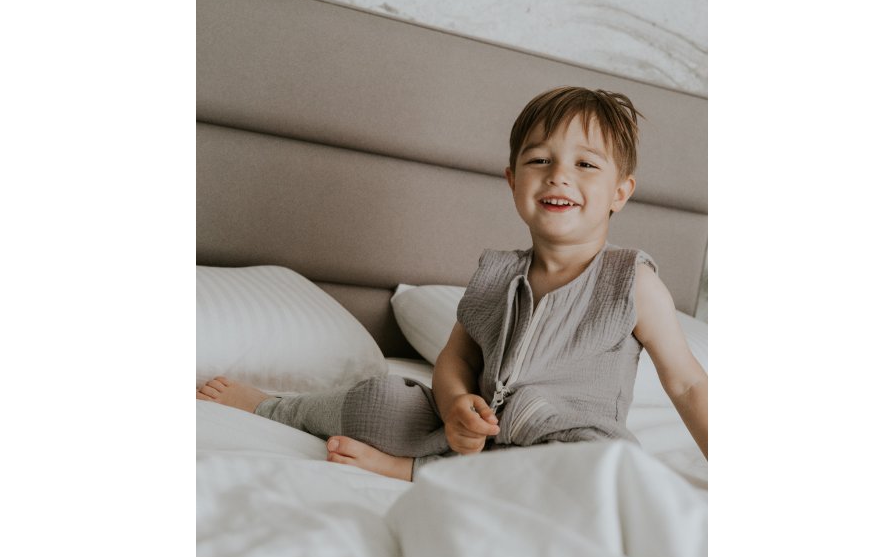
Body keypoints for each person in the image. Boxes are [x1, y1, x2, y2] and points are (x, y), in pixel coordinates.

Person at [196, 86, 708, 481]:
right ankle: (273, 406)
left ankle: (414, 471)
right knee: (382, 400)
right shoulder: (495, 277)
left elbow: (686, 383)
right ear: (513, 180)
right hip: (474, 435)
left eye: (585, 164)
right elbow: (455, 361)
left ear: (620, 193)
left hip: (567, 447)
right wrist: (455, 406)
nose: (558, 175)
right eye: (539, 159)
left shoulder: (631, 283)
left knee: (601, 472)